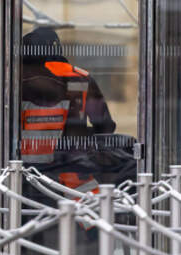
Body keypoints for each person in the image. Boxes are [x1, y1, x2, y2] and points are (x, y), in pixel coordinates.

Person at [20, 27, 115, 194]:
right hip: (74, 172)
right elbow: (105, 126)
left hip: (23, 173)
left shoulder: (14, 79)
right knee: (82, 209)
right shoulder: (81, 78)